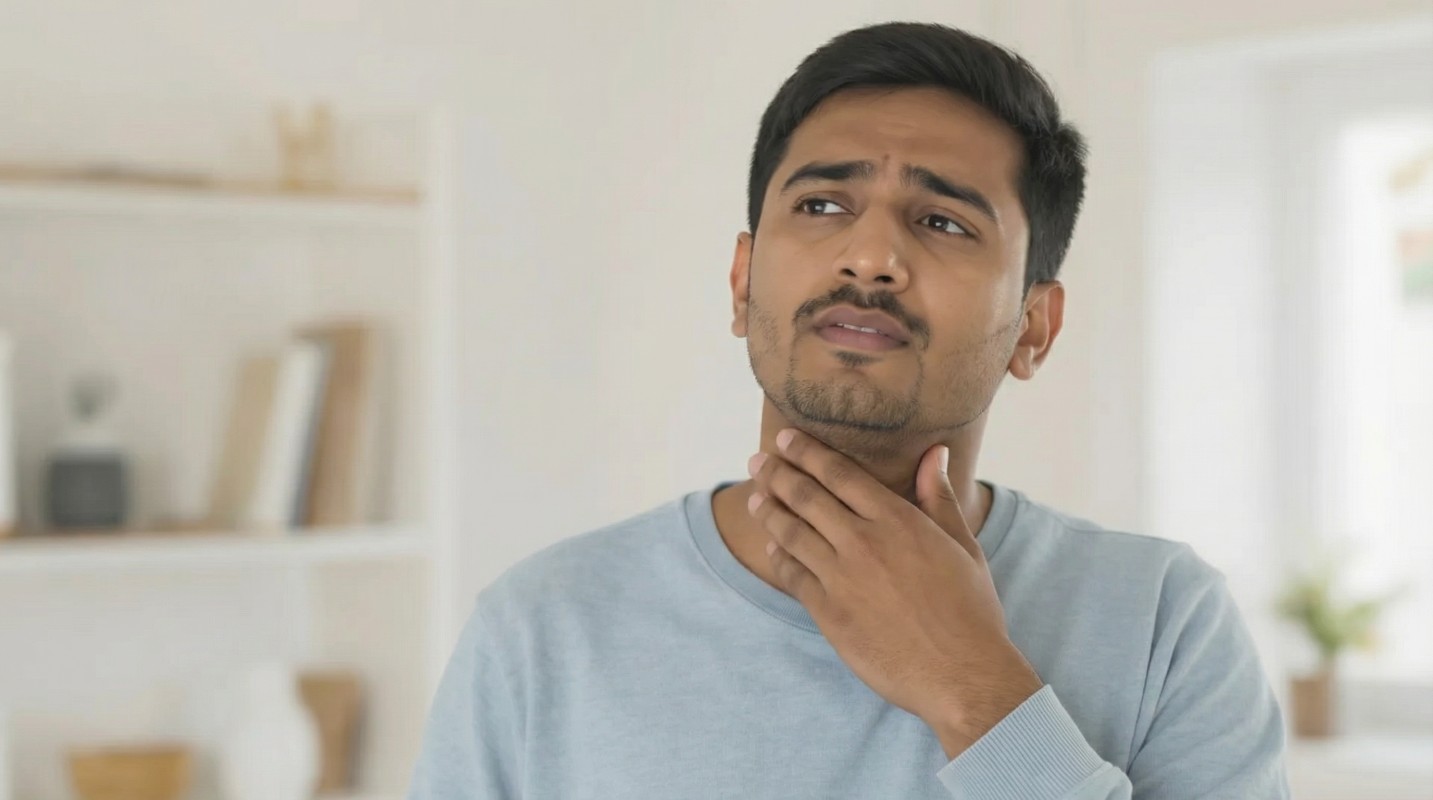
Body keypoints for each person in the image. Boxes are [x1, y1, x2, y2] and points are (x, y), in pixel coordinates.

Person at [407, 21, 1290, 799]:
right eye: (822, 205)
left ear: (1033, 327)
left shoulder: (1161, 622)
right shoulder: (543, 628)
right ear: (742, 280)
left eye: (942, 222)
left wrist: (974, 691)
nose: (869, 257)